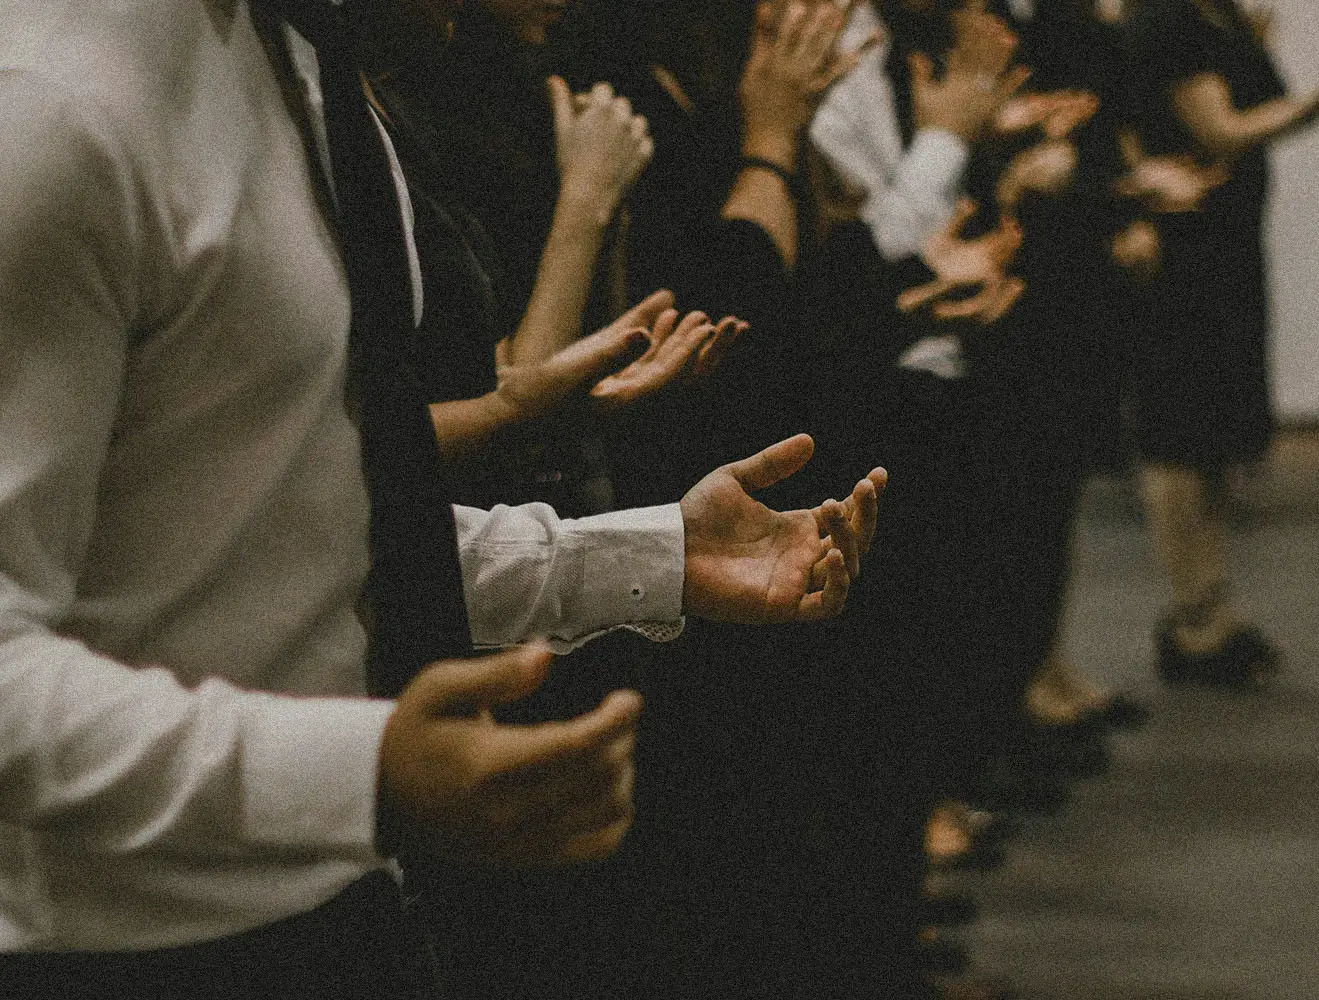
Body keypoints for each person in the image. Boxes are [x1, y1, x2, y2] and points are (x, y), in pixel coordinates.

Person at [0, 2, 883, 996]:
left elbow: (306, 532)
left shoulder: (290, 66)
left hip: (344, 911)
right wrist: (359, 769)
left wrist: (647, 557)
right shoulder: (53, 108)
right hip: (125, 951)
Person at [1122, 0, 1319, 686]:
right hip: (1185, 251)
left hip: (1225, 246)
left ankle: (1208, 612)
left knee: (1208, 440)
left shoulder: (1220, 19)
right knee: (1179, 438)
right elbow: (1220, 131)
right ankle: (1195, 616)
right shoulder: (1170, 20)